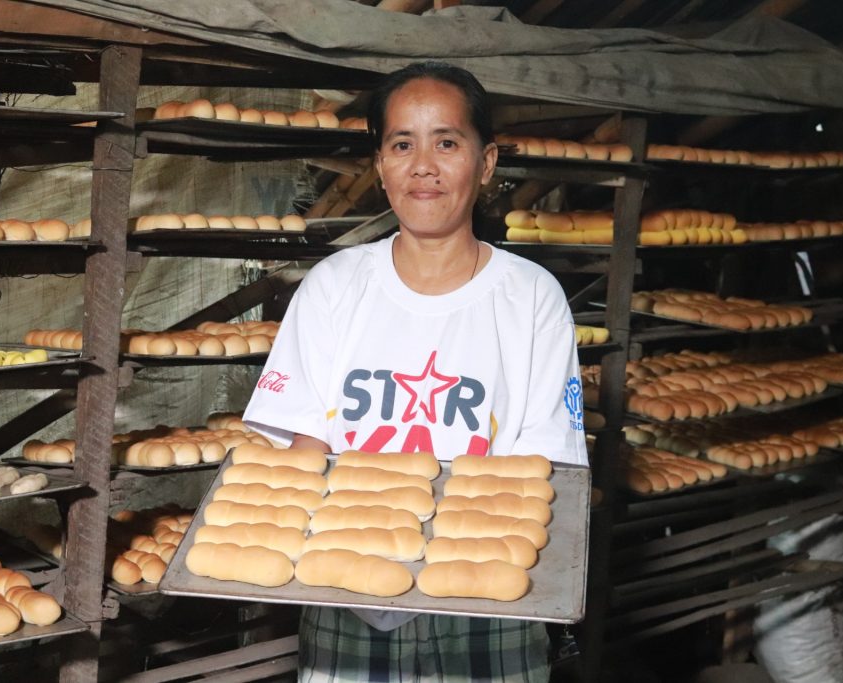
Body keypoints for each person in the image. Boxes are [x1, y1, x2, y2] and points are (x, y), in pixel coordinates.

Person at [243, 61, 588, 682]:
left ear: (486, 162)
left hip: (487, 600)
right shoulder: (335, 285)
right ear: (380, 165)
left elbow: (544, 470)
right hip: (349, 596)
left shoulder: (531, 296)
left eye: (447, 143)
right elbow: (304, 447)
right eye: (402, 144)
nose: (423, 166)